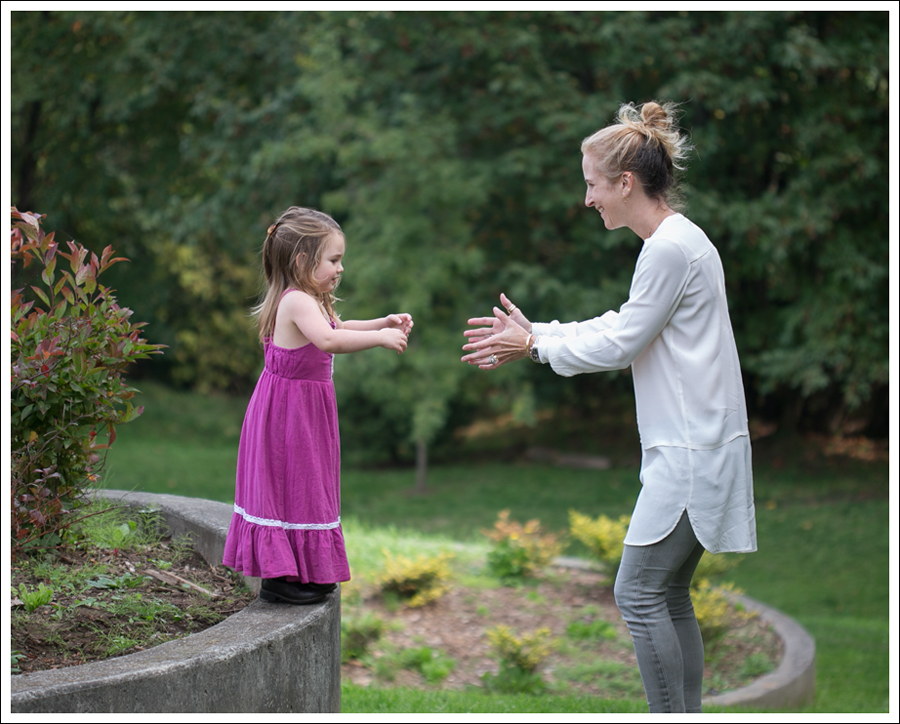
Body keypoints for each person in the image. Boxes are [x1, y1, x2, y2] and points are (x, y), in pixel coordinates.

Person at [461, 101, 756, 713]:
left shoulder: (671, 248)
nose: (588, 198)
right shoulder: (675, 243)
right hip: (694, 449)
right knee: (666, 596)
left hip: (691, 457)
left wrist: (536, 344)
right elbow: (627, 323)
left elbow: (622, 343)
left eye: (593, 185)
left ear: (625, 183)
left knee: (639, 594)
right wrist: (539, 331)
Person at [223, 206, 413, 605]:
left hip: (305, 411)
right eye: (334, 260)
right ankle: (281, 578)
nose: (340, 268)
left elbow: (338, 328)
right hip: (287, 414)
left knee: (306, 486)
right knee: (290, 484)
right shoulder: (295, 302)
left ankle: (303, 570)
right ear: (302, 261)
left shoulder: (313, 298)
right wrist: (380, 341)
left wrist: (383, 322)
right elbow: (329, 342)